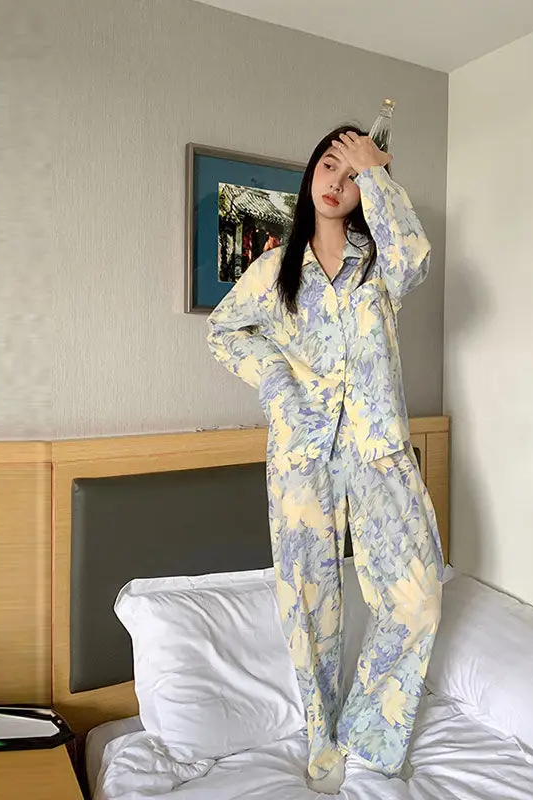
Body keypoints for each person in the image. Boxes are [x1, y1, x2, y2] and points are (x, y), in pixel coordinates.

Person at [206, 126, 444, 793]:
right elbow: (223, 332)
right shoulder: (274, 272)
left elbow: (416, 261)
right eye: (329, 165)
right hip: (301, 455)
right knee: (310, 605)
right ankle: (323, 740)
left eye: (352, 173)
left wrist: (378, 173)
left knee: (418, 598)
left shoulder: (380, 263)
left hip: (379, 452)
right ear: (311, 174)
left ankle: (368, 732)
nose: (337, 181)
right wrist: (277, 385)